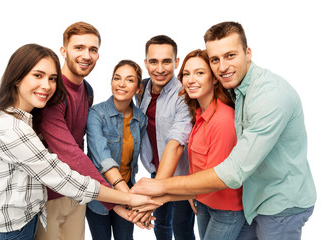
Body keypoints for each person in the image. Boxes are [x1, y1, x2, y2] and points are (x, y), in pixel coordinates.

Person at [131, 21, 316, 240]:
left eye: (230, 55)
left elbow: (232, 172)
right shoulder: (230, 93)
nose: (222, 67)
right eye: (215, 59)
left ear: (248, 53)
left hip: (279, 204)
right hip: (251, 198)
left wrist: (158, 188)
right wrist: (183, 193)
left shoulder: (269, 96)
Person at [0, 44, 160, 240]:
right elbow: (63, 176)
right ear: (17, 78)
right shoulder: (12, 129)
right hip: (5, 233)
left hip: (25, 224)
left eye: (52, 79)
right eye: (38, 75)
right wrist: (128, 198)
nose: (46, 86)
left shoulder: (26, 118)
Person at [34, 22, 126, 240]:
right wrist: (114, 197)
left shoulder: (87, 90)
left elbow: (81, 143)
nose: (86, 55)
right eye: (79, 48)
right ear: (64, 51)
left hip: (77, 191)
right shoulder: (52, 91)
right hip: (47, 194)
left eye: (92, 50)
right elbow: (69, 152)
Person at [177, 49, 244, 239]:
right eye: (186, 74)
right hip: (203, 202)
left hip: (225, 211)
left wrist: (165, 192)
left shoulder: (223, 119)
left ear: (214, 78)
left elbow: (216, 178)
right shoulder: (199, 113)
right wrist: (193, 194)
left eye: (200, 73)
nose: (191, 80)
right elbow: (197, 161)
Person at [137, 35, 195, 240]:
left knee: (182, 230)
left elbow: (177, 141)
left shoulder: (184, 93)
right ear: (145, 63)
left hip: (181, 175)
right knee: (161, 225)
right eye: (153, 61)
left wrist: (152, 193)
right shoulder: (142, 89)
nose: (159, 69)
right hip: (156, 170)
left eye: (166, 61)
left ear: (176, 62)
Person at [85, 60, 148, 240]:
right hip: (100, 192)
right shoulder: (96, 114)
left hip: (127, 187)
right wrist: (130, 198)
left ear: (138, 88)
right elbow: (101, 156)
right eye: (117, 78)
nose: (121, 84)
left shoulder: (140, 119)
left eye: (129, 80)